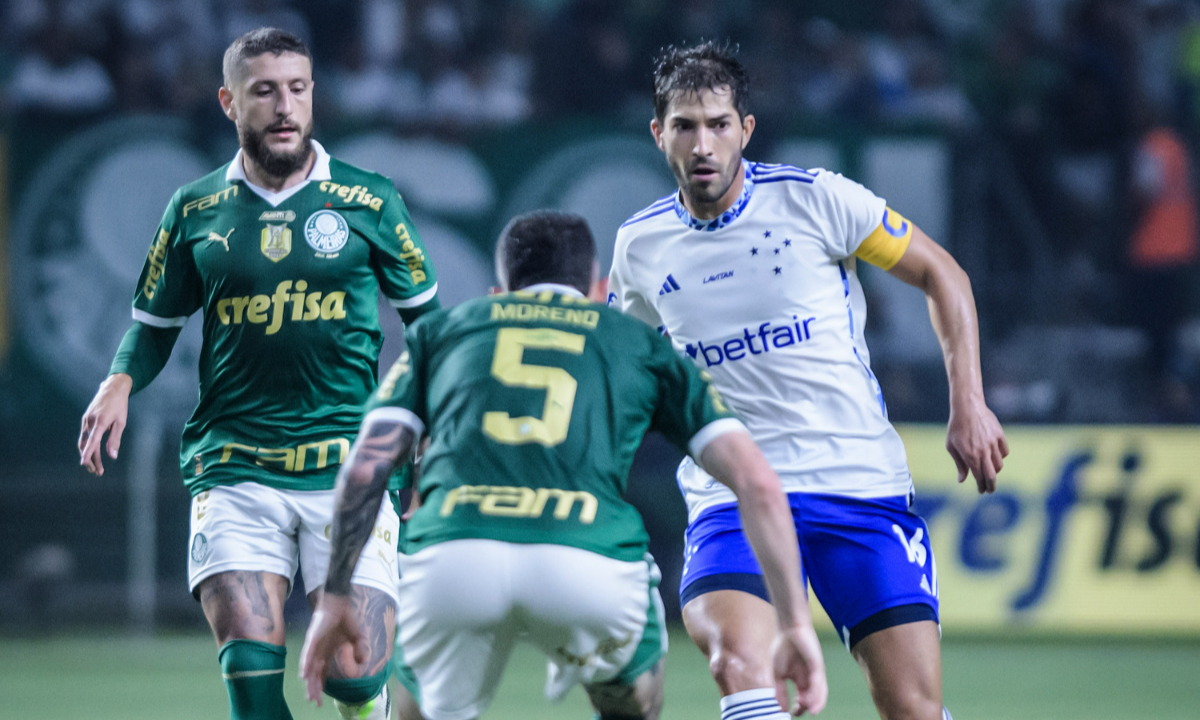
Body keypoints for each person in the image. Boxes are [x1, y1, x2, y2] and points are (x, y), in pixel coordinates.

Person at [607, 41, 1009, 720]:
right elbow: (617, 368)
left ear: (746, 128)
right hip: (729, 498)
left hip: (856, 485)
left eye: (717, 123)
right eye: (684, 125)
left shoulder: (818, 200)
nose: (702, 143)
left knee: (913, 707)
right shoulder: (639, 247)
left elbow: (943, 274)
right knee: (740, 668)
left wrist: (968, 403)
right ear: (658, 133)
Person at [299, 211, 828, 720]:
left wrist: (337, 594)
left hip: (453, 556)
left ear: (498, 296)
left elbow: (366, 466)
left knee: (421, 711)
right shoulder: (634, 340)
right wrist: (795, 623)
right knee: (636, 702)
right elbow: (756, 480)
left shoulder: (446, 331)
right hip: (588, 562)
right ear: (600, 292)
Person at [76, 28, 440, 720]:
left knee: (353, 674)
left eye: (297, 90)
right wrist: (119, 381)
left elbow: (431, 331)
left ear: (313, 98)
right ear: (227, 101)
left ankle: (369, 706)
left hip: (349, 469)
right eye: (265, 91)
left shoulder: (369, 202)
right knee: (250, 664)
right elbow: (154, 329)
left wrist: (431, 432)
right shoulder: (194, 210)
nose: (284, 106)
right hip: (235, 466)